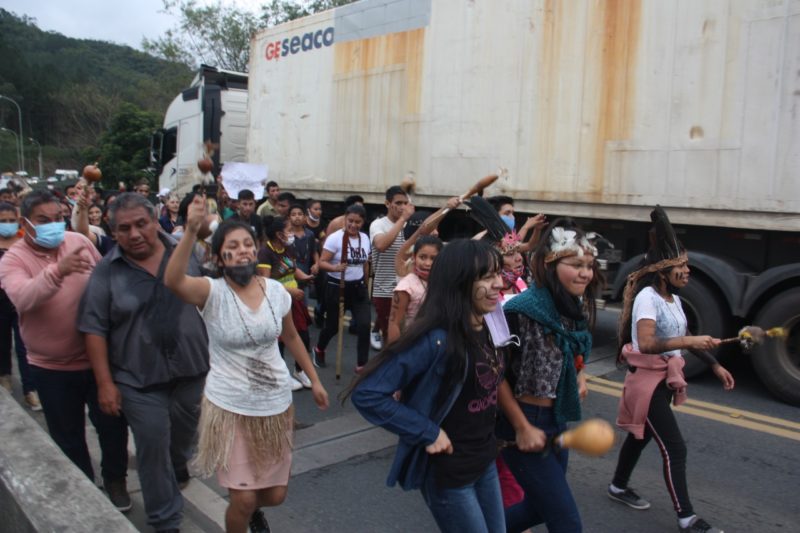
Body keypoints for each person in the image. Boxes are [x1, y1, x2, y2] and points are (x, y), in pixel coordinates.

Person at [164, 195, 328, 533]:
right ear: (219, 257)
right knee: (243, 499)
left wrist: (315, 380)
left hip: (275, 405)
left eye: (248, 245)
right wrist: (192, 230)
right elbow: (174, 281)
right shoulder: (211, 292)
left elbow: (291, 337)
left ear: (256, 250)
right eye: (232, 246)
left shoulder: (275, 291)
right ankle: (245, 514)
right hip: (230, 407)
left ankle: (255, 512)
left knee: (275, 495)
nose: (242, 251)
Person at [348, 239, 513, 533]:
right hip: (449, 473)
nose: (499, 284)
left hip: (485, 461)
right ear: (459, 281)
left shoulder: (489, 324)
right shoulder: (436, 339)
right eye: (487, 277)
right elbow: (368, 393)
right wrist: (428, 432)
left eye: (498, 274)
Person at [78, 193, 210, 533]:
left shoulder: (187, 251)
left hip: (191, 371)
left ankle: (176, 463)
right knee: (152, 446)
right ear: (113, 232)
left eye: (141, 224)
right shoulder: (106, 272)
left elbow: (214, 293)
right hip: (138, 380)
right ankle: (166, 521)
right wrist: (105, 383)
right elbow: (93, 329)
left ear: (155, 222)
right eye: (124, 229)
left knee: (182, 441)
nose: (134, 234)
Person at [0, 190, 130, 510]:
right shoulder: (13, 259)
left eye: (58, 218)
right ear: (26, 223)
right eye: (43, 220)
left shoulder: (78, 242)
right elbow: (23, 298)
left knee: (113, 428)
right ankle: (85, 491)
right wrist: (58, 271)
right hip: (51, 368)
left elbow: (109, 281)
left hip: (98, 361)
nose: (54, 225)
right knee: (68, 437)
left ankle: (115, 480)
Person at [608, 206, 734, 533]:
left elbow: (684, 336)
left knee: (642, 437)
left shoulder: (674, 299)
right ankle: (686, 518)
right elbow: (647, 343)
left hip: (663, 381)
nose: (687, 270)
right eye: (681, 266)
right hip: (647, 384)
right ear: (663, 272)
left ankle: (617, 486)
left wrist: (715, 365)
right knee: (675, 448)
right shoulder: (647, 298)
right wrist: (689, 340)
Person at [496, 219, 602, 533]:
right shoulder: (520, 310)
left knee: (537, 509)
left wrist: (579, 376)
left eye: (589, 266)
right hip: (522, 421)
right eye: (576, 265)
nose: (585, 273)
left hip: (556, 419)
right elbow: (494, 376)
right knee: (566, 522)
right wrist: (521, 427)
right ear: (549, 265)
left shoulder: (571, 308)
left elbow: (572, 352)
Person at [257, 215, 315, 390]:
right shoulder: (265, 252)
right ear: (278, 234)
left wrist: (306, 277)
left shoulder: (288, 248)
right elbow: (265, 282)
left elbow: (293, 269)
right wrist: (290, 291)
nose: (292, 234)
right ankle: (282, 375)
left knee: (303, 335)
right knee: (280, 340)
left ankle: (299, 370)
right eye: (289, 230)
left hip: (294, 301)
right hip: (276, 302)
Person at [313, 204, 371, 370]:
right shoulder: (335, 238)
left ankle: (362, 365)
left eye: (357, 222)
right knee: (332, 327)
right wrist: (335, 268)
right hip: (337, 286)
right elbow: (322, 262)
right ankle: (319, 349)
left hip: (358, 288)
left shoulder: (365, 238)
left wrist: (366, 283)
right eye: (350, 221)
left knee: (364, 325)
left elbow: (365, 264)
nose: (353, 225)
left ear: (363, 222)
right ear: (345, 219)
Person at [0, 201, 40, 410]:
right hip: (1, 302)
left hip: (21, 300)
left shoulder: (24, 243)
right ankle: (4, 376)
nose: (7, 224)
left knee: (25, 346)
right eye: (3, 221)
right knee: (2, 342)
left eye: (11, 220)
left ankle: (30, 389)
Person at [369, 186, 413, 351]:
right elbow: (381, 245)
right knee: (391, 338)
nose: (402, 207)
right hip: (385, 290)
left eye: (405, 203)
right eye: (398, 203)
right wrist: (402, 220)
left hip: (407, 289)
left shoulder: (409, 225)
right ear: (387, 204)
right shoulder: (378, 224)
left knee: (407, 335)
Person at [386, 235, 442, 344]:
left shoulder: (443, 282)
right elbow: (394, 323)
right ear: (414, 257)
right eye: (422, 257)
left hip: (438, 345)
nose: (428, 263)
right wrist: (394, 352)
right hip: (413, 344)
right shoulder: (405, 287)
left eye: (433, 258)